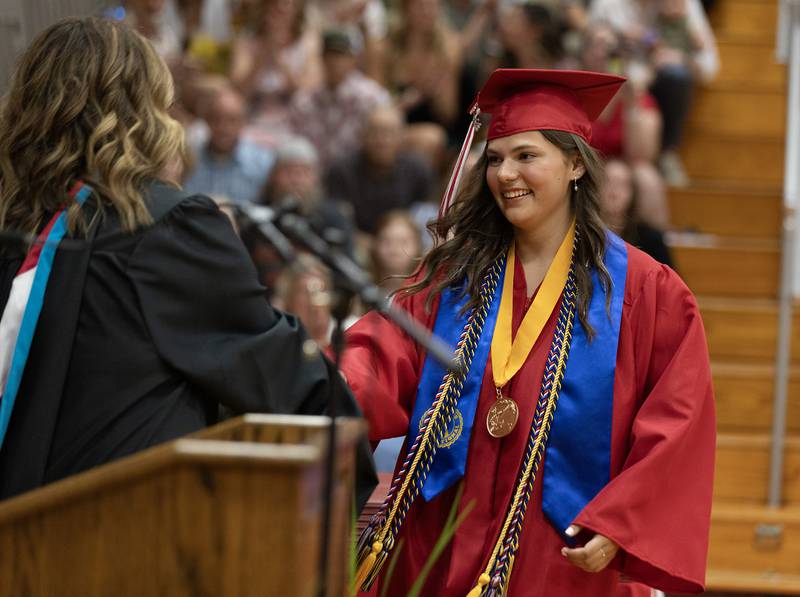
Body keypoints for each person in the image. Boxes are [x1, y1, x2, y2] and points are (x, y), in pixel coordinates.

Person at [341, 69, 715, 595]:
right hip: (442, 532)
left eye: (526, 156)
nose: (505, 173)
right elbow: (383, 354)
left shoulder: (646, 293)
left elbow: (678, 420)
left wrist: (619, 524)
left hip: (563, 553)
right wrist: (326, 382)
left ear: (575, 165)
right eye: (495, 158)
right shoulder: (457, 279)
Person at [0, 17, 376, 507]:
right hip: (124, 535)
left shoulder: (17, 228)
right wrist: (347, 449)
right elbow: (276, 376)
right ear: (141, 113)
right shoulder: (165, 228)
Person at [183, 85, 275, 204]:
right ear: (206, 121)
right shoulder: (189, 160)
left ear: (243, 122)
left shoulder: (262, 162)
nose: (224, 128)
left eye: (232, 120)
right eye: (217, 119)